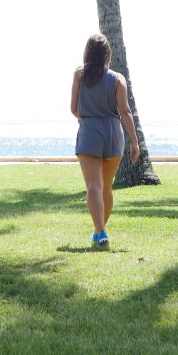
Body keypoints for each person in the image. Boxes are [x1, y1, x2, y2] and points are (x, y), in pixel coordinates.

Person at [71, 32, 140, 248]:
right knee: (106, 188)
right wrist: (135, 142)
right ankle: (99, 232)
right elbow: (125, 111)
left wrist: (84, 117)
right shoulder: (118, 78)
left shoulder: (80, 74)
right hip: (113, 133)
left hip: (90, 130)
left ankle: (100, 231)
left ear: (87, 52)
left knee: (93, 186)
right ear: (107, 54)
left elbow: (73, 108)